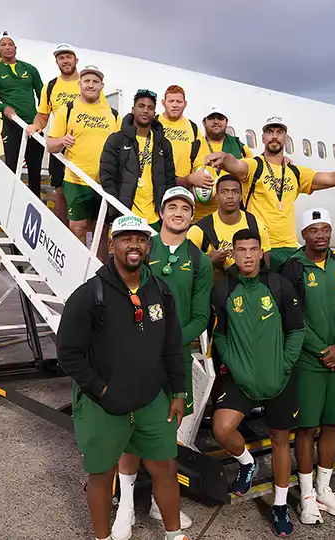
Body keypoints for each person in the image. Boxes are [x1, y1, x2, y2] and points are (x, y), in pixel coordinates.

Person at [56, 214, 190, 540]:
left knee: (165, 468)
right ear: (111, 244)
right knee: (101, 475)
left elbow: (172, 345)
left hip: (150, 400)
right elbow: (68, 354)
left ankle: (174, 535)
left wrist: (179, 392)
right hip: (103, 403)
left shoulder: (160, 290)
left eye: (141, 239)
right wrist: (101, 390)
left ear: (148, 246)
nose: (134, 245)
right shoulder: (90, 295)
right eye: (126, 238)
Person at [112, 187, 213, 540]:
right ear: (161, 211)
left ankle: (159, 502)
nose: (179, 212)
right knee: (129, 429)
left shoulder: (199, 261)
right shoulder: (142, 248)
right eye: (173, 206)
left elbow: (201, 316)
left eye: (186, 208)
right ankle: (125, 506)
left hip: (174, 357)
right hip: (135, 354)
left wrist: (168, 342)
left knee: (168, 431)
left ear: (192, 216)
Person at [210, 229, 305, 536]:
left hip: (278, 377)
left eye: (253, 249)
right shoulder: (223, 288)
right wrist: (232, 361)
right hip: (241, 377)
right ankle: (247, 464)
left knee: (280, 440)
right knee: (222, 428)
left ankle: (279, 505)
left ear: (261, 253)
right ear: (233, 254)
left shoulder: (278, 285)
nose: (248, 255)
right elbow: (220, 333)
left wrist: (286, 362)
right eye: (241, 250)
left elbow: (296, 331)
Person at [205, 116, 335, 270]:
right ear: (263, 138)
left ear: (285, 138)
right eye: (270, 132)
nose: (274, 136)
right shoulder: (256, 166)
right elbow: (236, 164)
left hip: (289, 248)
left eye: (279, 132)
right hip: (263, 248)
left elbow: (331, 178)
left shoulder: (295, 172)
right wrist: (223, 158)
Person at [277, 208, 335, 525]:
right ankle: (307, 495)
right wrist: (322, 349)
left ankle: (325, 489)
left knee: (333, 426)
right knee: (307, 428)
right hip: (309, 361)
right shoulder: (293, 268)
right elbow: (292, 318)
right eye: (314, 230)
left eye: (326, 229)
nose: (321, 235)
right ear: (304, 234)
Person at [45, 64, 120, 259]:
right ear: (80, 84)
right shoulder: (67, 110)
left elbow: (121, 148)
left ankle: (99, 274)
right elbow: (50, 145)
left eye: (95, 82)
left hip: (103, 182)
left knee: (101, 231)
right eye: (87, 81)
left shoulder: (113, 115)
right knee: (77, 227)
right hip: (76, 180)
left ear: (101, 86)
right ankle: (74, 270)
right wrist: (62, 141)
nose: (91, 85)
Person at [100, 89, 177, 229]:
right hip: (126, 215)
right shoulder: (116, 140)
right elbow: (107, 177)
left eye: (150, 108)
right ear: (133, 110)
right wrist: (117, 210)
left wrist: (165, 209)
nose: (145, 111)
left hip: (155, 217)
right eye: (141, 106)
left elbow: (170, 180)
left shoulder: (163, 144)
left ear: (154, 113)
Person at [0, 32, 45, 196]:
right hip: (12, 126)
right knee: (12, 166)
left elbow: (43, 96)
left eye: (10, 44)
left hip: (33, 126)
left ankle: (36, 202)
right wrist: (4, 108)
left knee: (34, 170)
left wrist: (41, 118)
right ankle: (12, 199)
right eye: (3, 44)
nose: (7, 47)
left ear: (15, 48)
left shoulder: (29, 69)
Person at [27, 43, 81, 225]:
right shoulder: (50, 86)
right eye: (61, 57)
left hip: (83, 146)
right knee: (60, 191)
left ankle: (85, 242)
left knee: (86, 194)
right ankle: (63, 235)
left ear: (76, 59)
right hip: (59, 144)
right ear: (57, 62)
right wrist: (36, 126)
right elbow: (43, 115)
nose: (65, 61)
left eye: (68, 57)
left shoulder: (87, 84)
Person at [186, 174, 271, 277]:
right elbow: (185, 268)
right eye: (224, 192)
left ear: (241, 197)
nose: (230, 196)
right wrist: (208, 262)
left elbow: (266, 267)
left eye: (235, 192)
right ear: (217, 196)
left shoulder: (256, 225)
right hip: (215, 289)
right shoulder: (199, 230)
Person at [186, 105, 254, 223]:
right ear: (204, 122)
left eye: (220, 118)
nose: (216, 121)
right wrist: (190, 179)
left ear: (226, 122)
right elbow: (177, 180)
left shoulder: (240, 147)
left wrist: (282, 159)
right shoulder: (194, 147)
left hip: (231, 220)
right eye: (212, 118)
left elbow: (258, 168)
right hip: (199, 220)